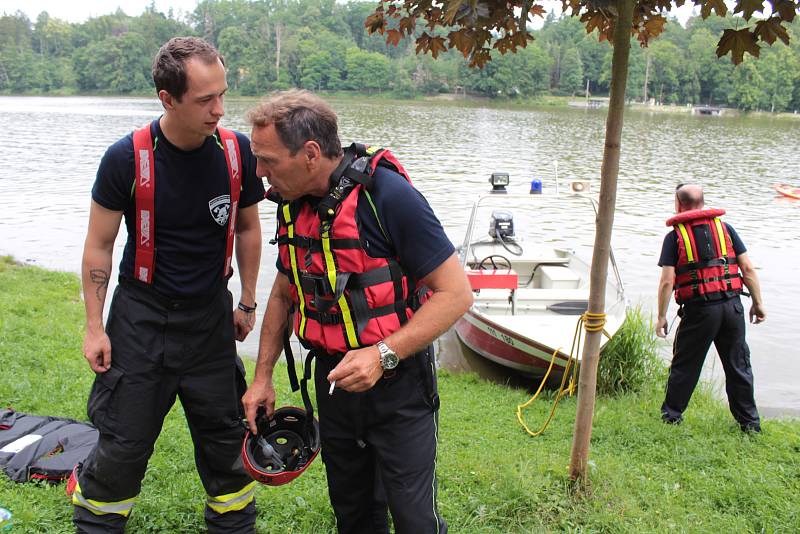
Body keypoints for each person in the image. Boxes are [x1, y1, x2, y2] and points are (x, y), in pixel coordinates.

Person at [241, 90, 473, 533]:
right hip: (335, 386)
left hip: (398, 384)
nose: (260, 173)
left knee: (414, 518)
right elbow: (284, 294)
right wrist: (263, 376)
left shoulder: (388, 196)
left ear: (310, 153)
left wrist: (382, 353)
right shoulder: (290, 203)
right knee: (353, 515)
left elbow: (456, 294)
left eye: (268, 160)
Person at [73, 37, 265, 533]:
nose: (219, 110)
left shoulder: (236, 153)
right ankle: (98, 524)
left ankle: (233, 525)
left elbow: (247, 227)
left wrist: (246, 300)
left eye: (223, 95)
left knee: (227, 441)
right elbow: (99, 245)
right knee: (124, 441)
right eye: (205, 100)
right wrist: (95, 327)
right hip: (141, 316)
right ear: (168, 98)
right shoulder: (126, 158)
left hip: (209, 319)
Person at [655, 183, 765, 432]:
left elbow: (667, 281)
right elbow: (747, 269)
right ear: (702, 203)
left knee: (685, 365)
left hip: (700, 312)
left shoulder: (675, 237)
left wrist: (661, 316)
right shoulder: (725, 229)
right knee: (739, 366)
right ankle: (750, 424)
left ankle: (671, 417)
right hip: (732, 307)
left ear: (678, 204)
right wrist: (758, 303)